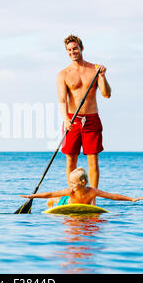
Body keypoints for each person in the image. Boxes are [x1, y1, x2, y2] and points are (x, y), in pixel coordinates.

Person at [57, 34, 111, 205]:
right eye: (69, 50)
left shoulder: (94, 70)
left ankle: (92, 198)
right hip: (72, 119)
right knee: (71, 160)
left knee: (93, 161)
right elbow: (62, 100)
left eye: (75, 49)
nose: (73, 52)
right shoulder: (63, 74)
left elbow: (106, 94)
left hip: (92, 119)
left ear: (81, 48)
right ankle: (74, 196)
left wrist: (102, 76)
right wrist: (66, 119)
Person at [20, 167, 143, 208]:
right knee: (56, 199)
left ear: (83, 182)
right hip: (65, 204)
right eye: (71, 183)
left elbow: (111, 196)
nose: (71, 185)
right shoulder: (70, 191)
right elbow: (51, 194)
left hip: (80, 205)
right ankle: (52, 203)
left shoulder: (92, 192)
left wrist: (131, 199)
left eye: (74, 183)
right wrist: (32, 196)